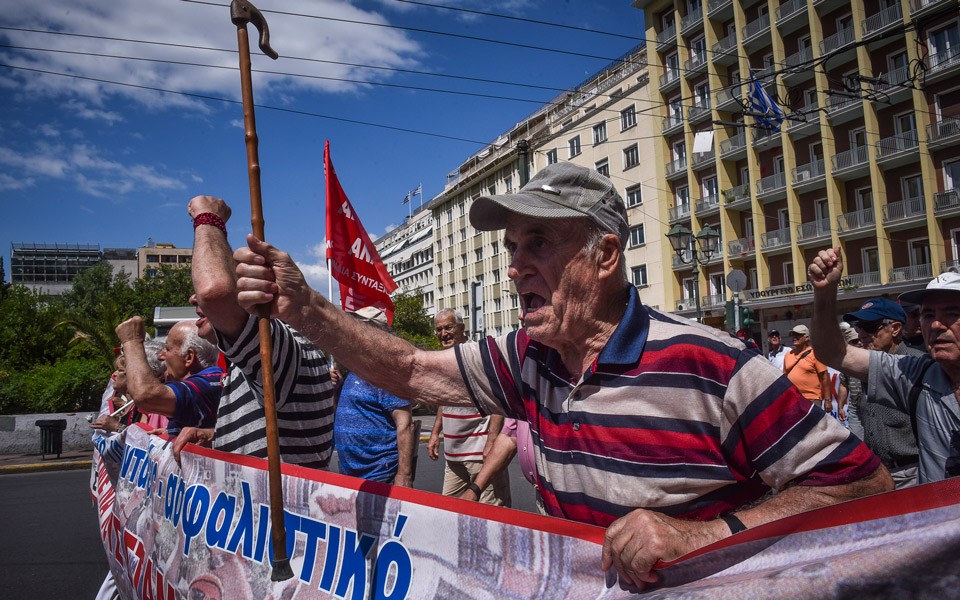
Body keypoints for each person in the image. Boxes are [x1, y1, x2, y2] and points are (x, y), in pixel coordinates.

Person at [233, 161, 891, 588]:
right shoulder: (527, 355)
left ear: (605, 255)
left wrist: (701, 535)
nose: (515, 266)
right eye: (512, 248)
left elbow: (863, 485)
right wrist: (307, 308)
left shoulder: (711, 364)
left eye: (539, 244)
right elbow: (411, 369)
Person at [173, 195, 336, 468]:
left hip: (280, 498)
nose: (194, 299)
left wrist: (208, 217)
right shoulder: (255, 359)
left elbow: (214, 293)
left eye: (237, 286)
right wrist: (213, 436)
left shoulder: (282, 347)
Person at [810, 248, 960, 485]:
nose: (936, 325)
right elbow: (832, 352)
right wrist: (824, 292)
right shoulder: (915, 375)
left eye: (952, 313)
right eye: (928, 315)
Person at [427, 308, 510, 506]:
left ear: (462, 328)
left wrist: (492, 442)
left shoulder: (478, 354)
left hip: (481, 454)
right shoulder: (443, 359)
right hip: (453, 455)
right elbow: (444, 400)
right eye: (439, 329)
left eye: (448, 327)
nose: (443, 334)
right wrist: (435, 432)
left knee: (491, 514)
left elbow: (498, 398)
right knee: (450, 511)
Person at [842, 297, 926, 488]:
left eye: (869, 326)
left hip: (913, 475)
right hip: (880, 474)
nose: (861, 334)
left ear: (895, 328)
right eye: (858, 326)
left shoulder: (917, 366)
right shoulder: (868, 367)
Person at [333, 306, 417, 486]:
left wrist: (404, 476)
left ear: (376, 334)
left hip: (379, 476)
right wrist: (336, 390)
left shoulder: (387, 372)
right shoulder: (358, 369)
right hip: (353, 477)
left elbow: (405, 425)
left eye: (359, 326)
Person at [116, 317, 222, 435]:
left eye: (167, 349)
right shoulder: (206, 383)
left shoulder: (207, 385)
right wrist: (171, 433)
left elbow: (147, 397)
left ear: (188, 357)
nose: (160, 356)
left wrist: (131, 341)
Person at [459, 418, 545, 514]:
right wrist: (474, 490)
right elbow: (509, 437)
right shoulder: (522, 408)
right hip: (543, 495)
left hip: (558, 495)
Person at [90, 343, 169, 433]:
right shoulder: (139, 403)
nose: (114, 374)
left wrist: (116, 427)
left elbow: (146, 437)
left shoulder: (153, 404)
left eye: (121, 370)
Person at [783, 324, 831, 410]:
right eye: (793, 335)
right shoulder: (788, 355)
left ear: (806, 338)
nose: (794, 337)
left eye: (798, 335)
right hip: (793, 399)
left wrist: (827, 400)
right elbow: (785, 377)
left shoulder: (815, 354)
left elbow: (825, 378)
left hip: (811, 399)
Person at [839, 324, 866, 440]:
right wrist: (840, 407)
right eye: (855, 341)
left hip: (872, 407)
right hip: (855, 407)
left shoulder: (872, 357)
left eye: (861, 340)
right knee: (857, 440)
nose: (859, 343)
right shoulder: (846, 363)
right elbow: (843, 384)